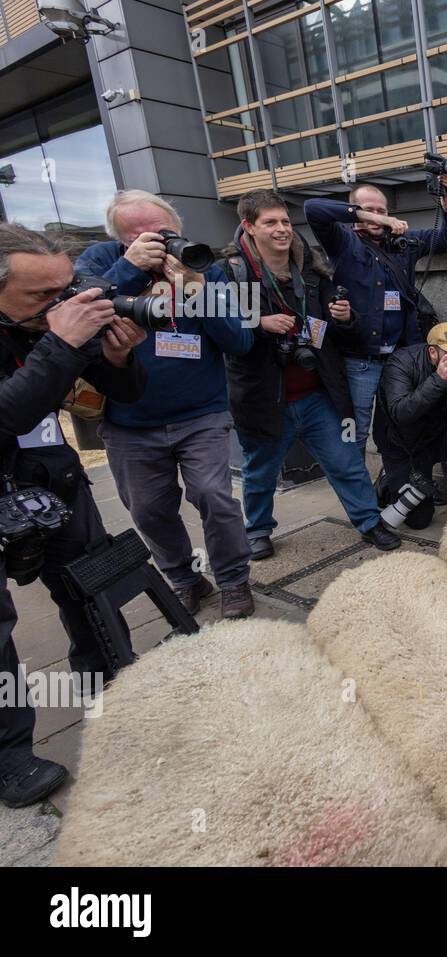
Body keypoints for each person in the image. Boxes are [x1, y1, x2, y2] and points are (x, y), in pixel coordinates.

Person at [0, 224, 147, 807]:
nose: (57, 304)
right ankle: (10, 757)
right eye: (39, 296)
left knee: (91, 585)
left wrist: (117, 355)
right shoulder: (55, 333)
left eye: (64, 289)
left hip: (50, 479)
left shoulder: (54, 319)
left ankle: (109, 680)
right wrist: (59, 345)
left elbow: (123, 392)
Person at [76, 190, 255, 619]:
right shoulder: (100, 262)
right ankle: (186, 579)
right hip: (129, 421)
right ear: (120, 239)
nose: (156, 242)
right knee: (149, 510)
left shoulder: (205, 264)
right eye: (140, 236)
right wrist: (130, 269)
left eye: (163, 233)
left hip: (201, 413)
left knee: (215, 495)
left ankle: (233, 580)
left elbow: (241, 340)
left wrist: (198, 292)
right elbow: (78, 310)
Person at [221, 189, 399, 559]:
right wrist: (258, 321)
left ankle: (368, 521)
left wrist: (346, 318)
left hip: (318, 394)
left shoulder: (313, 270)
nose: (282, 229)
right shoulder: (230, 272)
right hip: (265, 397)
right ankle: (257, 530)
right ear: (249, 227)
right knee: (260, 473)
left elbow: (341, 331)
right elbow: (215, 326)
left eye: (285, 221)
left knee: (347, 462)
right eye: (270, 222)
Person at [303, 179, 447, 482]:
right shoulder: (341, 240)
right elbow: (313, 209)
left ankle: (395, 483)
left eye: (382, 209)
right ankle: (360, 500)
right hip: (360, 361)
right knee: (357, 432)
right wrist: (373, 217)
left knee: (397, 427)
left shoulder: (403, 245)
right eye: (368, 209)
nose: (376, 215)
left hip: (400, 359)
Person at [376, 322, 447, 529]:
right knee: (419, 521)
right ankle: (387, 481)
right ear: (432, 352)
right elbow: (401, 413)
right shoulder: (400, 363)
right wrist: (439, 379)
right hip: (403, 447)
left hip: (435, 437)